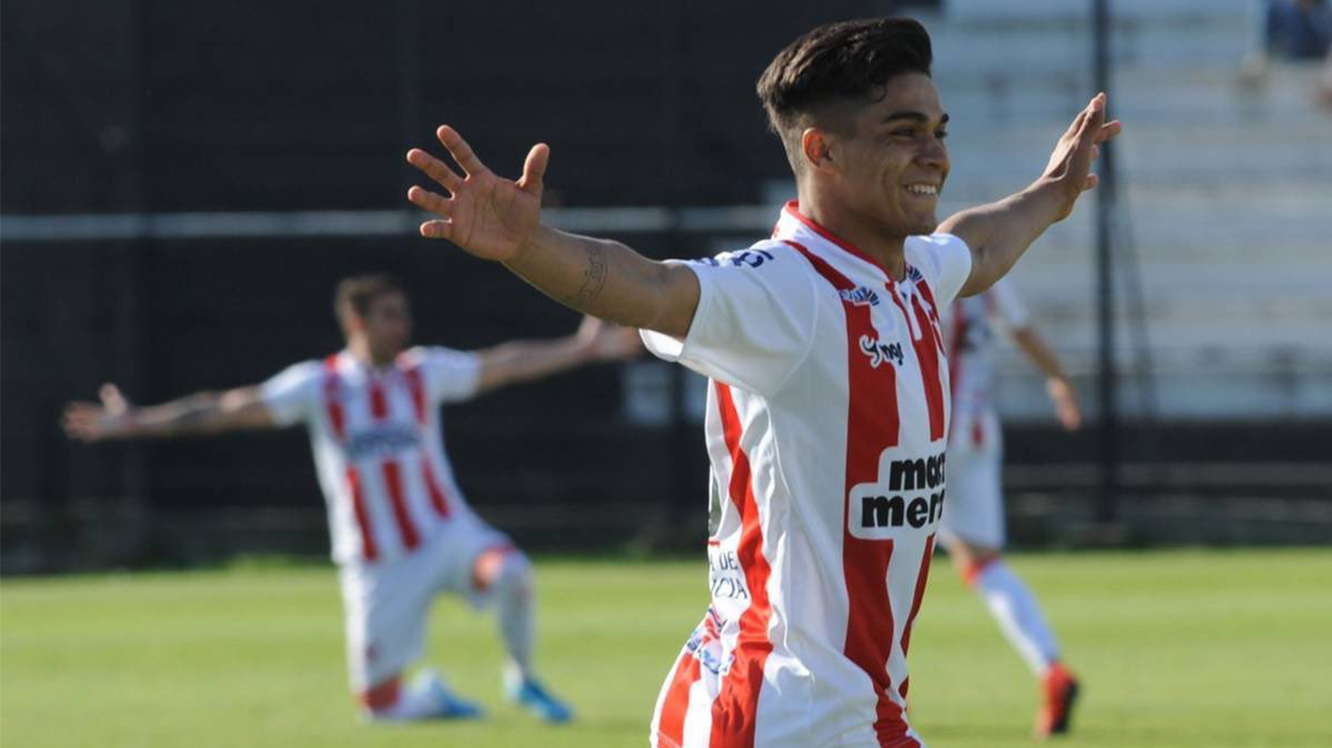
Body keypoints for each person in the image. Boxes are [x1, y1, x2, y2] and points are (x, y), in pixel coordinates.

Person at [404, 16, 1120, 748]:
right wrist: (530, 246)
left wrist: (1054, 191)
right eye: (904, 132)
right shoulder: (788, 288)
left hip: (827, 705)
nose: (934, 153)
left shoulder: (909, 275)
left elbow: (979, 246)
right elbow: (651, 288)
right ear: (822, 149)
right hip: (786, 712)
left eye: (938, 130)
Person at [62, 273, 641, 724]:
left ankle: (521, 678)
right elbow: (228, 407)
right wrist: (139, 421)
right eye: (390, 315)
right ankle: (434, 698)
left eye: (404, 312)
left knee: (512, 572)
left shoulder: (421, 372)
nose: (404, 324)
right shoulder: (321, 386)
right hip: (376, 559)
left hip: (445, 533)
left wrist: (581, 349)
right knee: (380, 708)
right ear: (357, 321)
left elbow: (502, 364)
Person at [940, 278, 1083, 737]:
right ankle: (1051, 669)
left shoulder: (914, 262)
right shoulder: (982, 265)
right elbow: (1021, 329)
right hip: (979, 429)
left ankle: (876, 690)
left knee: (883, 557)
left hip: (929, 430)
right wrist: (1059, 378)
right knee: (983, 565)